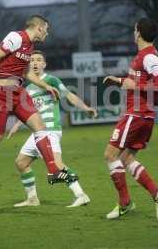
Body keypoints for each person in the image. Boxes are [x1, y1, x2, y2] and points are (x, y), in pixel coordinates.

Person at [0, 15, 71, 201]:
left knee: (40, 127)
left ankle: (53, 170)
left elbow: (26, 72)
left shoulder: (29, 47)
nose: (47, 32)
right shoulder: (16, 37)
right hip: (2, 92)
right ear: (38, 27)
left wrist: (45, 86)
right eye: (46, 28)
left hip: (18, 93)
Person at [7, 50, 97, 208]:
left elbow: (69, 95)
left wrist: (85, 107)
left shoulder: (51, 80)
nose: (35, 62)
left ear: (44, 64)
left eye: (38, 60)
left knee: (57, 164)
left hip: (50, 130)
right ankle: (32, 198)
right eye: (32, 60)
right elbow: (27, 111)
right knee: (21, 162)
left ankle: (81, 195)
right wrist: (16, 125)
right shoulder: (28, 89)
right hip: (37, 133)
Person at [102, 18, 158, 220]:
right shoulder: (143, 56)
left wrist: (134, 87)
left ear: (138, 32)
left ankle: (125, 203)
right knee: (126, 158)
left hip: (137, 114)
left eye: (133, 29)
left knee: (110, 155)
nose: (133, 32)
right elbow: (138, 81)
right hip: (142, 116)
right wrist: (120, 80)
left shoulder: (149, 57)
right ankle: (157, 194)